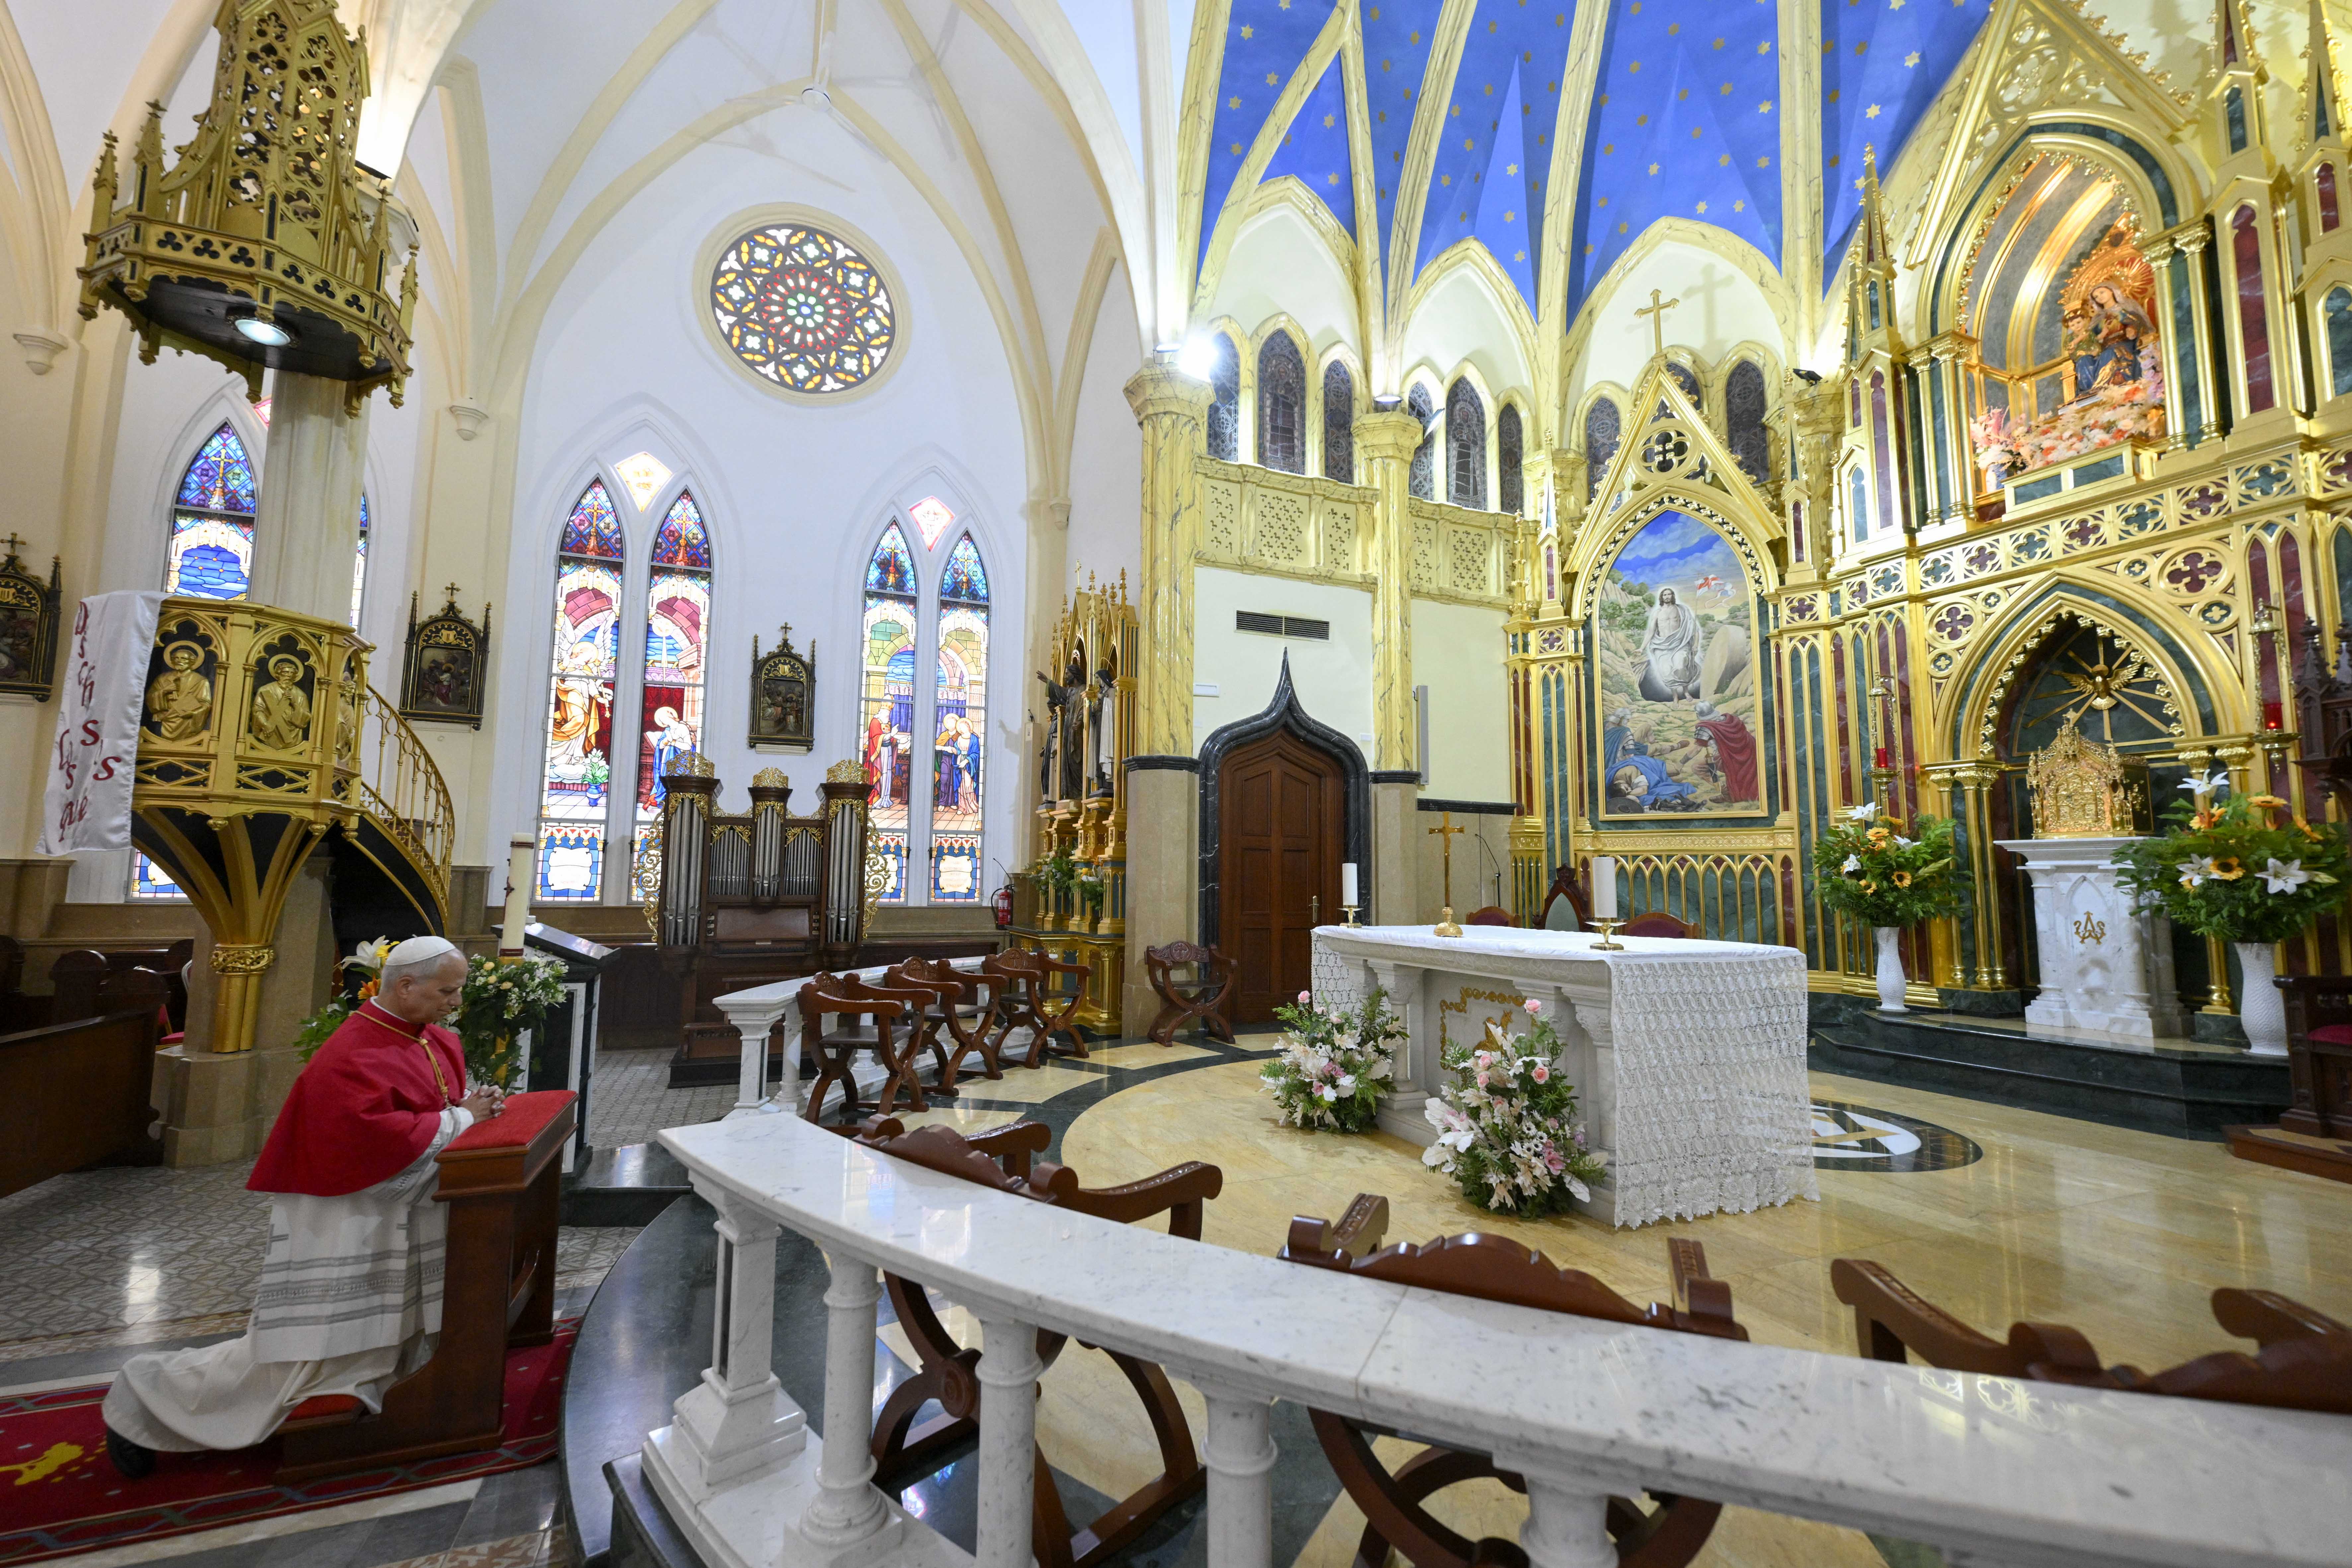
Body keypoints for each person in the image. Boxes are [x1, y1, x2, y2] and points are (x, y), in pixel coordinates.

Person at [101, 938, 502, 1477]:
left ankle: (369, 1412)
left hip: (394, 1218)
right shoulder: (354, 1053)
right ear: (406, 987)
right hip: (346, 1223)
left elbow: (434, 1109)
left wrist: (470, 1110)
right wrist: (464, 1121)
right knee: (304, 1355)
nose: (455, 1002)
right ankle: (148, 1397)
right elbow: (378, 1144)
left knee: (376, 1340)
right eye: (447, 991)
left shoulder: (431, 1040)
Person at [1639, 587, 1703, 702]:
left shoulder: (1682, 610)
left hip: (1680, 643)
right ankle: (1675, 696)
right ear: (1662, 598)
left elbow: (1694, 629)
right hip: (1662, 646)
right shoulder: (1657, 613)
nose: (1667, 597)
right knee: (1666, 671)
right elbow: (1651, 632)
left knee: (1681, 666)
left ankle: (1686, 691)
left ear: (1673, 596)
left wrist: (1696, 645)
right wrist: (1641, 648)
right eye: (1665, 595)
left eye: (1669, 595)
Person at [1692, 701, 1759, 802]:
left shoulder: (1705, 728)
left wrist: (1681, 763)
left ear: (1698, 714)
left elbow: (1696, 750)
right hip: (1747, 755)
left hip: (1729, 758)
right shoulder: (1732, 720)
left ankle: (1726, 793)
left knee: (1697, 767)